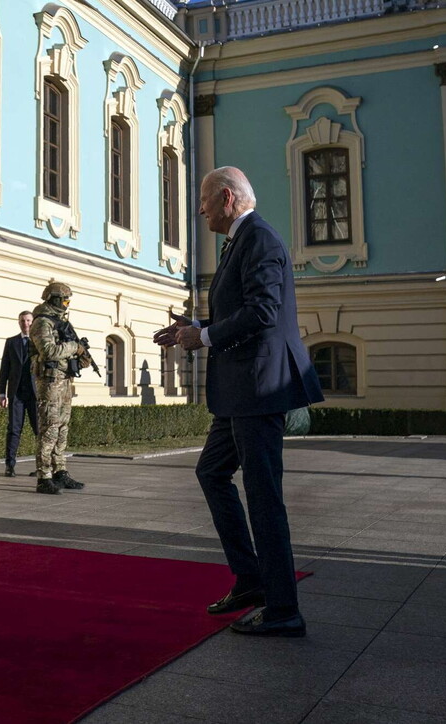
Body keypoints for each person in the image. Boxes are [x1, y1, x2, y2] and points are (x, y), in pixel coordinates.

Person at [154, 166, 323, 637]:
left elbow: (264, 311)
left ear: (227, 198)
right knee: (211, 472)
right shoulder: (242, 241)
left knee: (264, 497)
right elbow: (242, 308)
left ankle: (284, 609)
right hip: (239, 391)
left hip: (258, 388)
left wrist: (203, 335)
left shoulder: (261, 240)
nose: (201, 210)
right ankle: (251, 579)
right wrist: (195, 324)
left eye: (205, 201)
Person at [29, 282, 91, 494]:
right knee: (49, 428)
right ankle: (44, 476)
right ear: (54, 299)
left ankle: (60, 471)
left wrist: (81, 356)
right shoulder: (42, 322)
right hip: (50, 382)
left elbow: (68, 348)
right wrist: (74, 348)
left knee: (63, 428)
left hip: (64, 380)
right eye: (64, 300)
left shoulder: (62, 322)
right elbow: (48, 351)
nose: (66, 304)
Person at [0, 311, 38, 477]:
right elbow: (4, 369)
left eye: (28, 320)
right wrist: (1, 392)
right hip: (16, 394)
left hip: (36, 395)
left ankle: (42, 467)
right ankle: (10, 465)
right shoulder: (11, 342)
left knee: (39, 431)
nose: (26, 323)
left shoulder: (39, 343)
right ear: (19, 322)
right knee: (13, 430)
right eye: (23, 320)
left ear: (33, 322)